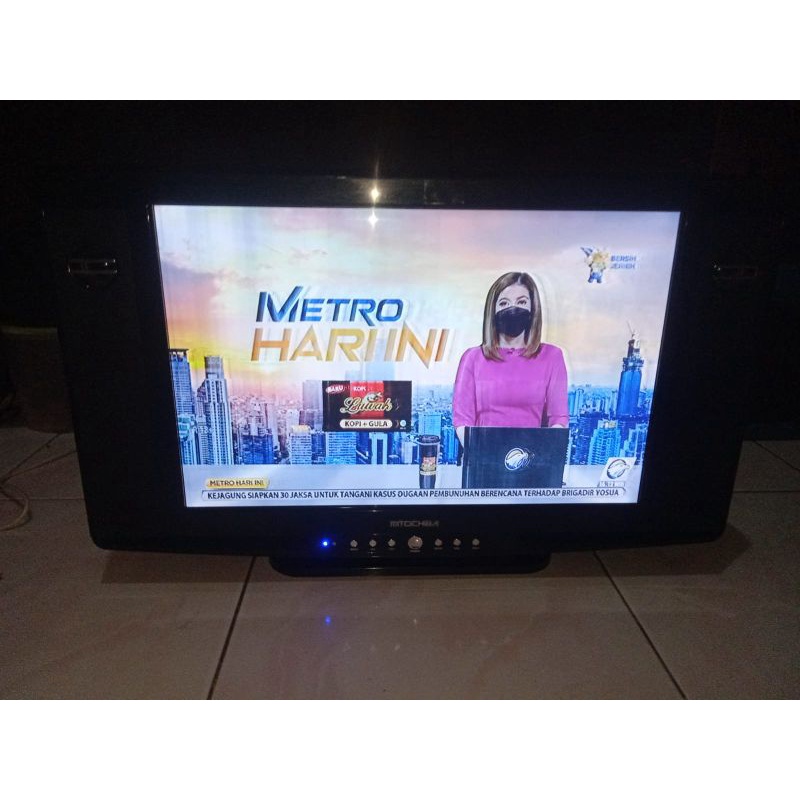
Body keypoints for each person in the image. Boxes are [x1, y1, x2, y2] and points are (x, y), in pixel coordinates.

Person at [452, 272, 568, 445]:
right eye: (504, 303)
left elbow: (558, 418)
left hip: (531, 456)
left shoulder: (552, 357)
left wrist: (542, 454)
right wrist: (478, 453)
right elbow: (463, 419)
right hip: (483, 455)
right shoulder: (473, 358)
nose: (513, 308)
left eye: (521, 302)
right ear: (493, 311)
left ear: (533, 309)